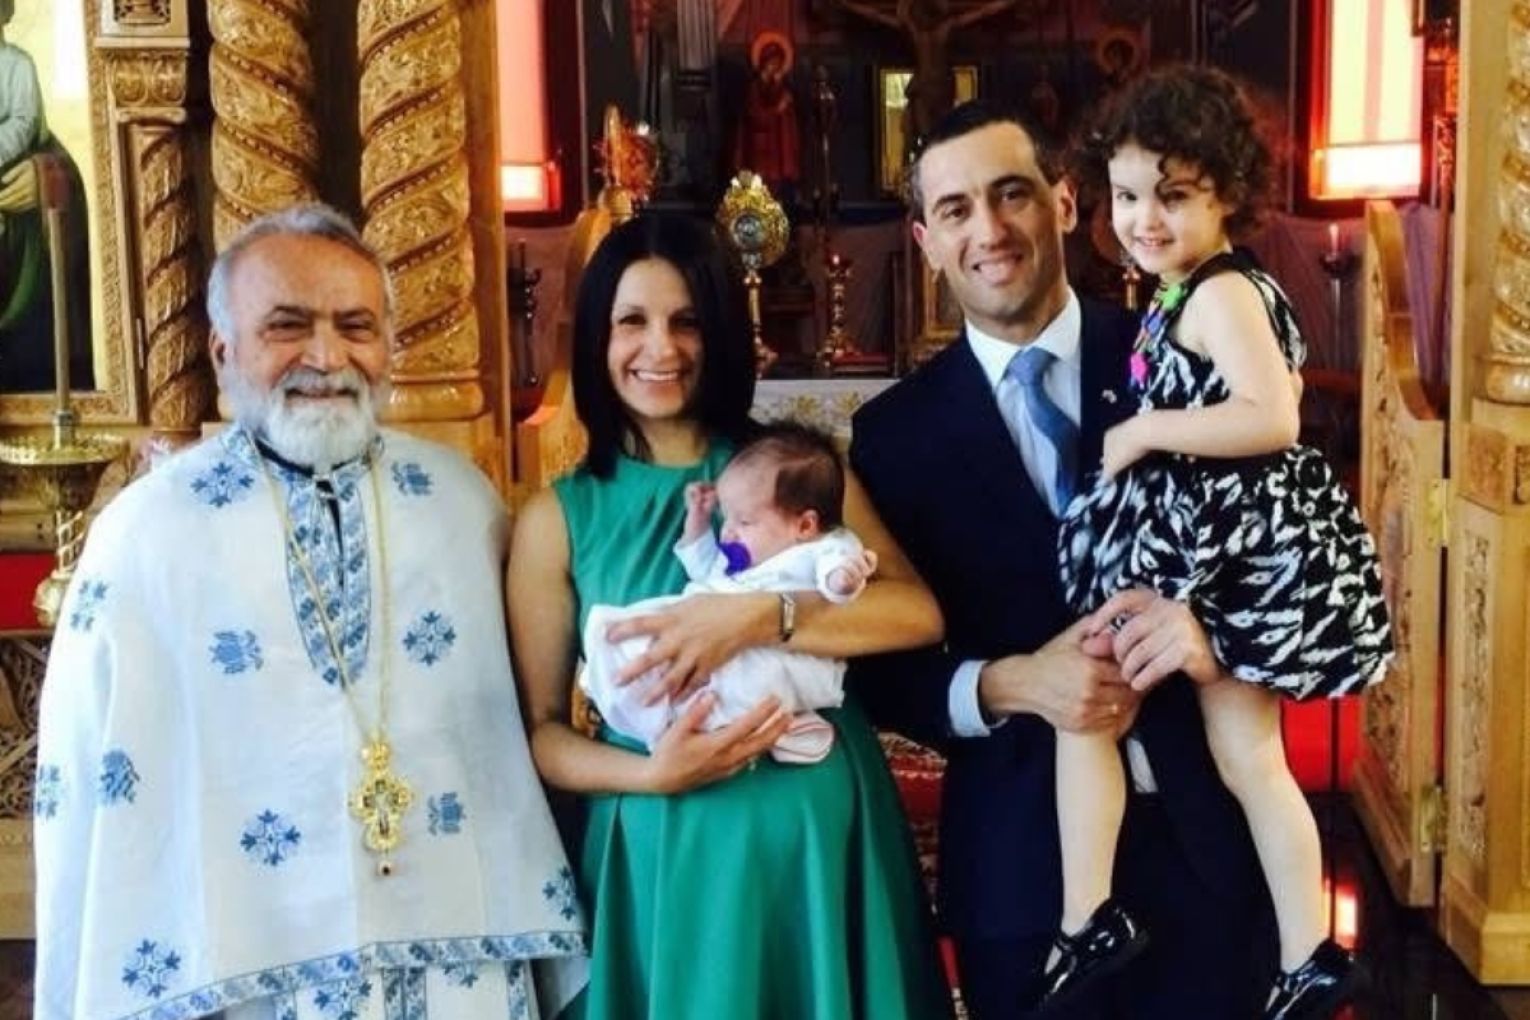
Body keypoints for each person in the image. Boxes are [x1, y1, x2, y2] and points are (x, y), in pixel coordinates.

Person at [33, 204, 587, 1020]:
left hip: (455, 949)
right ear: (224, 352)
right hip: (243, 964)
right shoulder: (148, 535)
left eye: (356, 326)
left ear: (389, 346)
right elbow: (83, 775)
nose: (327, 357)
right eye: (287, 326)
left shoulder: (462, 505)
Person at [848, 99, 1277, 1020]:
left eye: (1013, 195)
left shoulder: (1187, 362)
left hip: (1207, 837)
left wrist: (1210, 639)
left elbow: (1288, 557)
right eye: (957, 210)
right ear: (926, 239)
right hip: (1018, 867)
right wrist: (1010, 683)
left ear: (1068, 202)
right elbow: (879, 677)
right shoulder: (890, 439)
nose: (990, 231)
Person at [508, 212, 954, 1020]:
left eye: (685, 321)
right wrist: (653, 775)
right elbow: (541, 730)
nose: (661, 348)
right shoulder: (557, 518)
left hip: (815, 839)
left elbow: (914, 611)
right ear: (595, 338)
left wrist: (758, 618)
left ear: (717, 331)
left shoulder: (790, 472)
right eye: (631, 322)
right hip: (665, 842)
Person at [1051, 66, 1390, 1019]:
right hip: (1221, 547)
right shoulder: (1182, 289)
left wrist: (1149, 430)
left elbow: (1272, 416)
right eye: (1126, 195)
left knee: (1118, 706)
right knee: (1242, 756)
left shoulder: (1220, 293)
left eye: (1174, 195)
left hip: (1232, 557)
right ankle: (1301, 951)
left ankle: (1093, 920)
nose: (1144, 218)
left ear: (1226, 196)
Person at [581, 421, 879, 764]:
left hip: (788, 656)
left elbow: (838, 571)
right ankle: (618, 678)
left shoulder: (823, 546)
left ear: (804, 525)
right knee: (647, 631)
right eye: (727, 518)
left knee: (738, 686)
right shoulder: (744, 558)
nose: (730, 532)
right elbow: (704, 567)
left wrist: (842, 580)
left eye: (745, 522)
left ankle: (773, 728)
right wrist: (698, 520)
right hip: (726, 636)